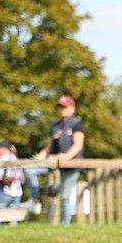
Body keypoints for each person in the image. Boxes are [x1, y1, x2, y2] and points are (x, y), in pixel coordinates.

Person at [29, 95, 85, 225]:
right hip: (55, 165)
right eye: (60, 107)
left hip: (71, 166)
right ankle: (35, 199)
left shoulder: (77, 124)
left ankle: (64, 224)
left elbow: (78, 145)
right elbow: (49, 147)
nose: (61, 109)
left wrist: (67, 156)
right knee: (30, 170)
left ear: (72, 108)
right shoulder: (56, 126)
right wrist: (41, 156)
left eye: (64, 107)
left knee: (65, 196)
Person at [0, 141, 24, 227]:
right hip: (17, 191)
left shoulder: (2, 159)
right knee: (13, 217)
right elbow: (22, 179)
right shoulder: (16, 159)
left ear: (4, 149)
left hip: (4, 190)